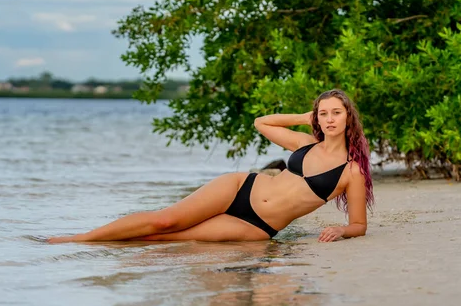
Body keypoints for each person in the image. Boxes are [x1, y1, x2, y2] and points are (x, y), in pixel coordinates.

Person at [48, 89, 374, 244]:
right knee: (165, 220)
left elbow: (359, 223)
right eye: (324, 113)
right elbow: (261, 122)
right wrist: (304, 117)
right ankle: (80, 240)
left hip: (256, 226)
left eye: (336, 113)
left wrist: (342, 230)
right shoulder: (305, 143)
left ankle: (106, 248)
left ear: (349, 118)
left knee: (170, 239)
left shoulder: (351, 171)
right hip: (240, 187)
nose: (329, 119)